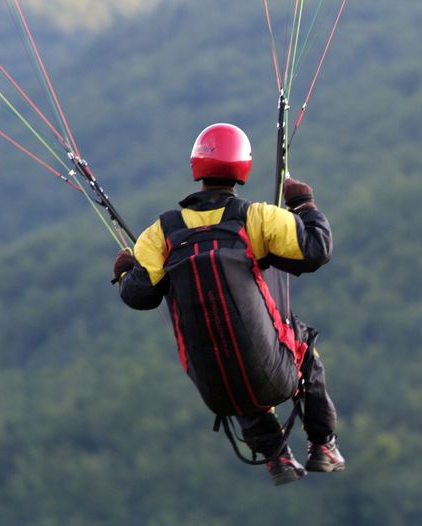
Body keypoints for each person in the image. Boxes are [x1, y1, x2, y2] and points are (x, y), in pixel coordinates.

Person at [113, 123, 344, 486]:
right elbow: (316, 250)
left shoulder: (161, 232)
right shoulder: (256, 217)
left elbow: (138, 295)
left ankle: (275, 456)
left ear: (196, 167)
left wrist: (126, 272)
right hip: (274, 377)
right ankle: (323, 445)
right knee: (300, 342)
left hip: (216, 391)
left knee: (221, 341)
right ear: (243, 166)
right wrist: (303, 204)